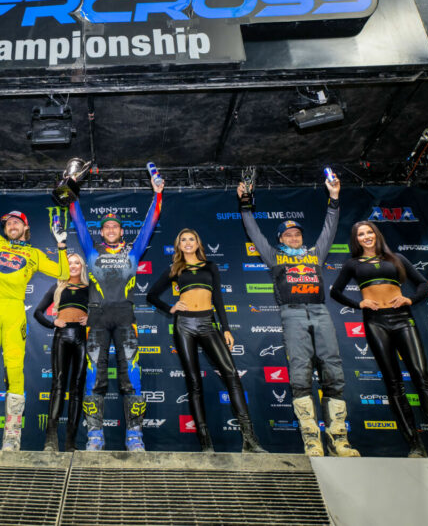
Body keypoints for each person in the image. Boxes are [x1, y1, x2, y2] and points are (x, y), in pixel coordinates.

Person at [237, 176, 359, 458]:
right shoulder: (273, 257)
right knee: (300, 373)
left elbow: (330, 226)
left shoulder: (316, 254)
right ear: (280, 239)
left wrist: (335, 197)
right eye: (288, 235)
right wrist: (245, 204)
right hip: (291, 315)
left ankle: (339, 439)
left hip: (320, 312)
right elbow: (253, 231)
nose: (294, 237)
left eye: (298, 234)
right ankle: (311, 439)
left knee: (333, 372)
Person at [330, 221, 428, 459]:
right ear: (355, 239)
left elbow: (423, 284)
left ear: (376, 235)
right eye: (360, 234)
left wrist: (410, 300)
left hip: (402, 319)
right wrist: (359, 303)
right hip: (375, 323)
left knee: (422, 377)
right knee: (394, 383)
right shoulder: (352, 264)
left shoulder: (396, 258)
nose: (366, 237)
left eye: (369, 232)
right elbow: (335, 292)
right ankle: (414, 444)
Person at [0, 181, 68, 451]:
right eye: (8, 222)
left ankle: (12, 439)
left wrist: (62, 245)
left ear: (25, 227)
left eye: (15, 222)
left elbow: (64, 274)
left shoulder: (33, 254)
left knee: (15, 372)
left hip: (13, 311)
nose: (10, 225)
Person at [146, 229, 267, 453]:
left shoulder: (210, 266)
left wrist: (226, 329)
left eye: (191, 239)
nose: (188, 242)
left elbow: (219, 299)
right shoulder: (175, 268)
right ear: (178, 245)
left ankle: (249, 440)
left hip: (208, 324)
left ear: (198, 243)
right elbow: (150, 295)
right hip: (184, 326)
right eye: (183, 240)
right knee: (194, 383)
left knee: (231, 375)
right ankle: (206, 444)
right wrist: (171, 308)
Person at [69, 173, 163, 451]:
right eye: (106, 226)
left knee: (131, 377)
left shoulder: (134, 251)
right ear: (101, 231)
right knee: (94, 376)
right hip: (96, 318)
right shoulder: (91, 250)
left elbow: (150, 223)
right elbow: (78, 220)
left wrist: (157, 194)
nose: (111, 229)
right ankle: (95, 436)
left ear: (122, 231)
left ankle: (135, 436)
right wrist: (72, 188)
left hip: (125, 318)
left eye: (115, 226)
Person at [33, 253, 89, 452]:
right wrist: (52, 323)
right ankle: (50, 440)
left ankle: (70, 442)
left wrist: (92, 319)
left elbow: (104, 311)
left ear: (82, 266)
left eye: (76, 263)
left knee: (77, 389)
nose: (73, 266)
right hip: (61, 337)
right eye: (69, 263)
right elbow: (37, 312)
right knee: (58, 384)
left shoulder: (90, 289)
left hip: (83, 338)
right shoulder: (57, 287)